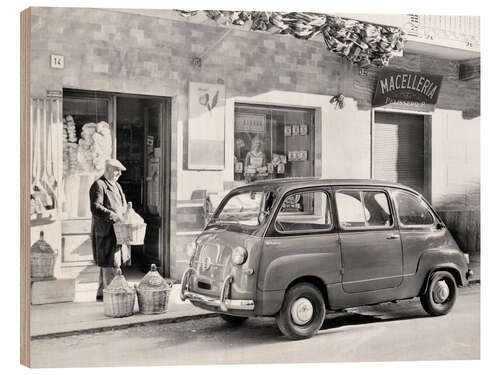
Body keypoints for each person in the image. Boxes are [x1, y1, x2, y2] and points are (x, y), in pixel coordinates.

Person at [89, 159, 128, 301]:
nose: (118, 173)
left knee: (109, 262)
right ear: (108, 169)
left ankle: (102, 294)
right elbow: (95, 207)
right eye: (116, 170)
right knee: (111, 263)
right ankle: (113, 297)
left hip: (117, 230)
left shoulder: (117, 186)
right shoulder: (99, 185)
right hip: (105, 231)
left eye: (120, 171)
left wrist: (127, 214)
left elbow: (123, 205)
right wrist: (113, 215)